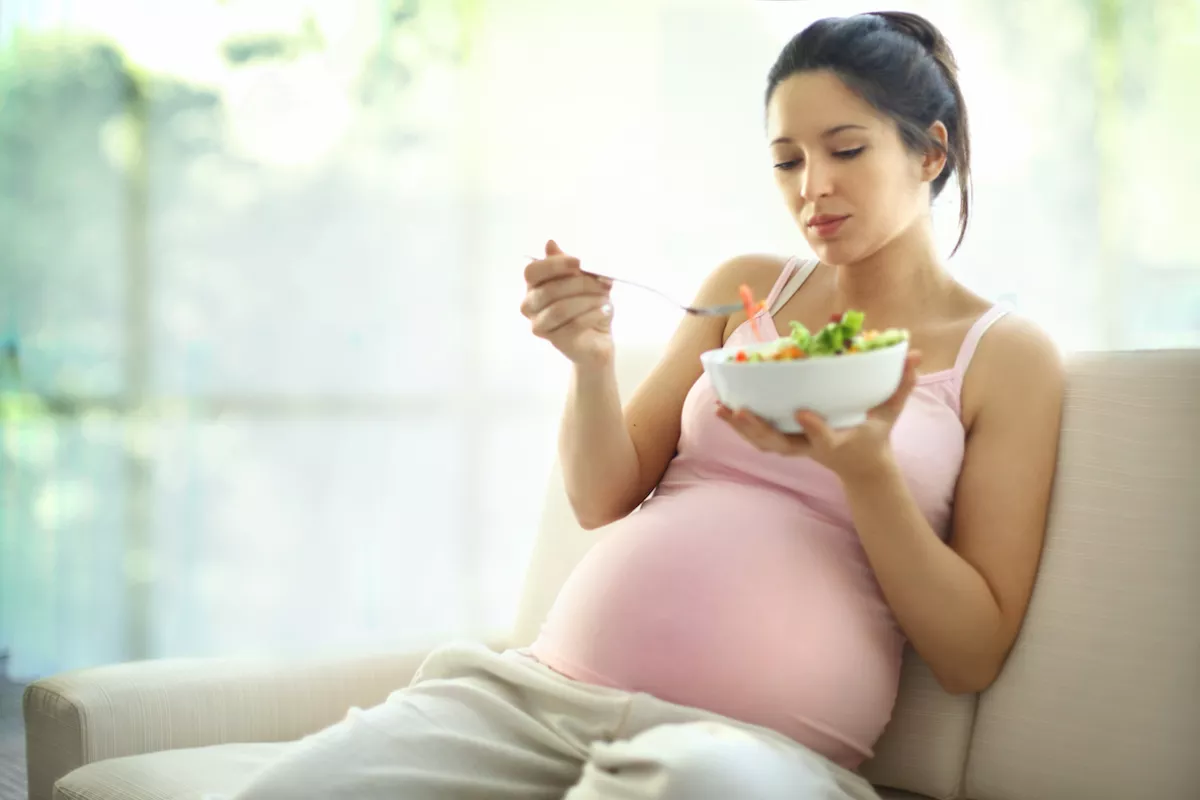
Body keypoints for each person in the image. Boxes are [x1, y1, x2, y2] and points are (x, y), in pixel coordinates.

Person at [229, 11, 1063, 800]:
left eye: (846, 149)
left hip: (745, 752)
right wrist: (590, 362)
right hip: (538, 700)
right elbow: (602, 496)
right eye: (787, 161)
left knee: (693, 784)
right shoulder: (745, 289)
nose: (813, 187)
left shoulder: (1005, 356)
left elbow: (970, 657)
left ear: (930, 152)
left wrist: (868, 473)